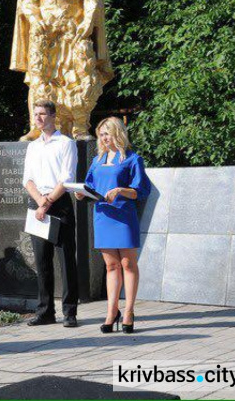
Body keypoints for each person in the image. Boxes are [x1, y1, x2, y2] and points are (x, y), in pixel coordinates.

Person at [10, 0, 113, 141]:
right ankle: (38, 127)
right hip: (42, 28)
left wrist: (88, 21)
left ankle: (79, 127)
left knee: (77, 74)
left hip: (71, 25)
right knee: (39, 78)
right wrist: (35, 18)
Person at [77, 117, 150, 333]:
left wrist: (120, 190)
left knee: (128, 264)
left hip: (124, 216)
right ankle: (111, 312)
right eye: (101, 134)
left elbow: (142, 190)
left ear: (117, 133)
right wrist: (81, 193)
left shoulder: (132, 159)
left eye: (107, 133)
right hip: (102, 216)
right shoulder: (97, 160)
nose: (103, 138)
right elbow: (89, 185)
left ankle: (128, 311)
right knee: (111, 266)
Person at [22, 99, 79, 327]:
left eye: (43, 114)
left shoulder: (66, 143)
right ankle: (45, 311)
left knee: (66, 259)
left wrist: (47, 203)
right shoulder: (32, 146)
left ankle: (70, 312)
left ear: (53, 116)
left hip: (59, 202)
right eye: (36, 114)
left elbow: (67, 178)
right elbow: (27, 179)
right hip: (37, 203)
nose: (38, 118)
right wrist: (39, 202)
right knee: (42, 260)